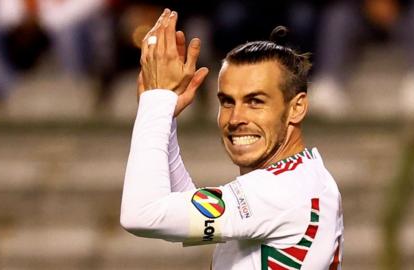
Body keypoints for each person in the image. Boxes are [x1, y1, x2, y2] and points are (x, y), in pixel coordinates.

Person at [120, 8, 343, 269]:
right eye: (227, 102)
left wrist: (156, 101)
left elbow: (142, 214)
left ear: (297, 107)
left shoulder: (279, 191)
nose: (235, 118)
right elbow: (184, 210)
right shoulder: (305, 176)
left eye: (255, 101)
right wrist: (164, 117)